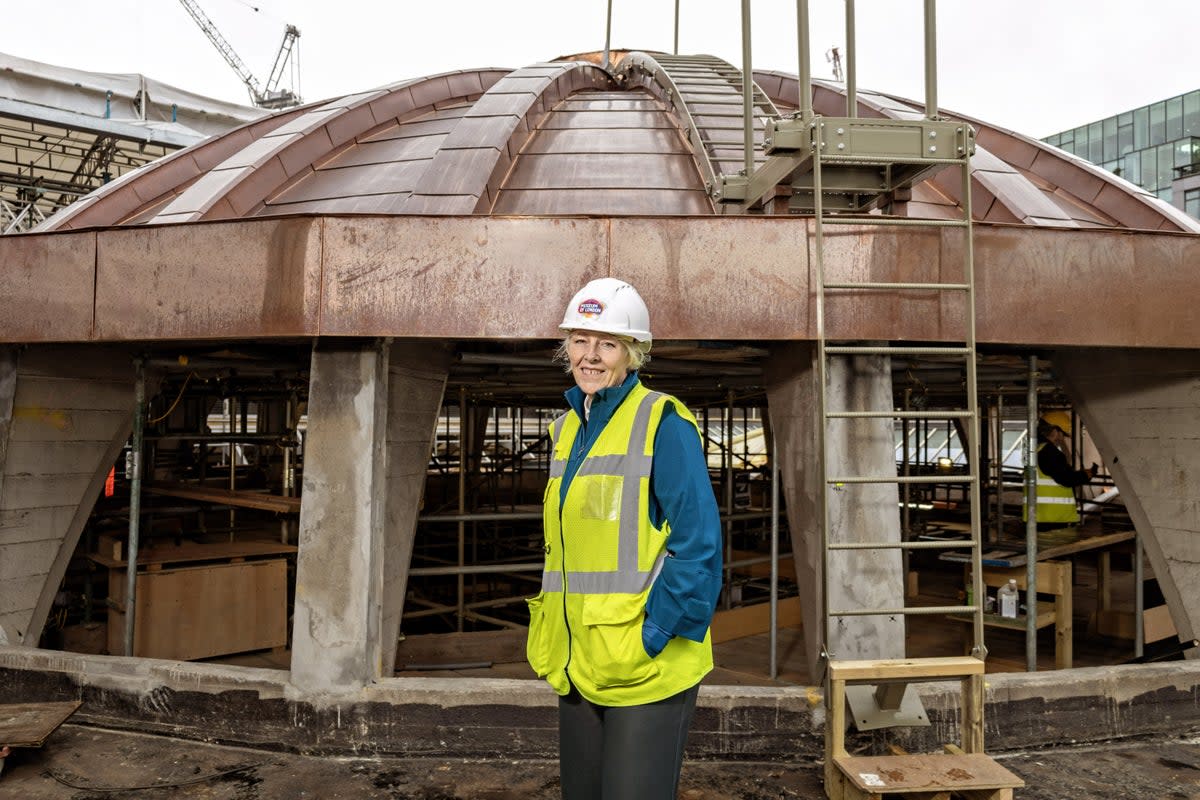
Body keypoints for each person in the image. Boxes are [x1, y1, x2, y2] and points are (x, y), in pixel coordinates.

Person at [526, 277, 723, 800]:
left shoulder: (662, 421)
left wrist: (655, 633)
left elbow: (699, 543)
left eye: (607, 344)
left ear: (632, 354)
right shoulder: (566, 429)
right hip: (578, 657)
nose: (590, 356)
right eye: (580, 341)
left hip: (644, 663)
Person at [1025, 410, 1097, 530]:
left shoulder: (1034, 449)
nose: (1062, 438)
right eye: (1062, 433)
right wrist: (1085, 475)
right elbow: (1066, 479)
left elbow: (1053, 473)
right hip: (1052, 518)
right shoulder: (1050, 452)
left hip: (1036, 515)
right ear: (1054, 431)